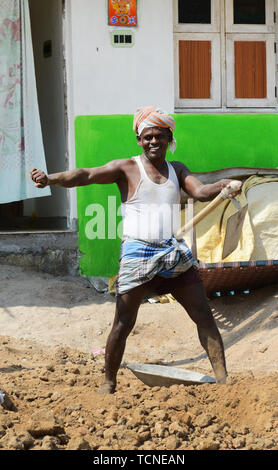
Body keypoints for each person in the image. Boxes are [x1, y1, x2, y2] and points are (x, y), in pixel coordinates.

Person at [30, 106, 242, 394]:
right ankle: (108, 382)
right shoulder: (127, 168)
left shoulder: (177, 169)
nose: (153, 142)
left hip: (172, 253)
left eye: (159, 136)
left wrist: (223, 185)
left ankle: (223, 380)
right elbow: (87, 174)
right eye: (147, 137)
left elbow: (201, 192)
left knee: (203, 313)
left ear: (169, 138)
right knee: (123, 321)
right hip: (137, 253)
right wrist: (51, 179)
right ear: (139, 141)